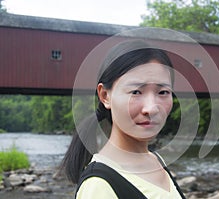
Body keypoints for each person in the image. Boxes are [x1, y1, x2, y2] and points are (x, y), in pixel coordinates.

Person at [61, 40, 186, 199]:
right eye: (135, 92)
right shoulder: (98, 187)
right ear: (105, 96)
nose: (151, 108)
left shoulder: (156, 160)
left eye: (162, 92)